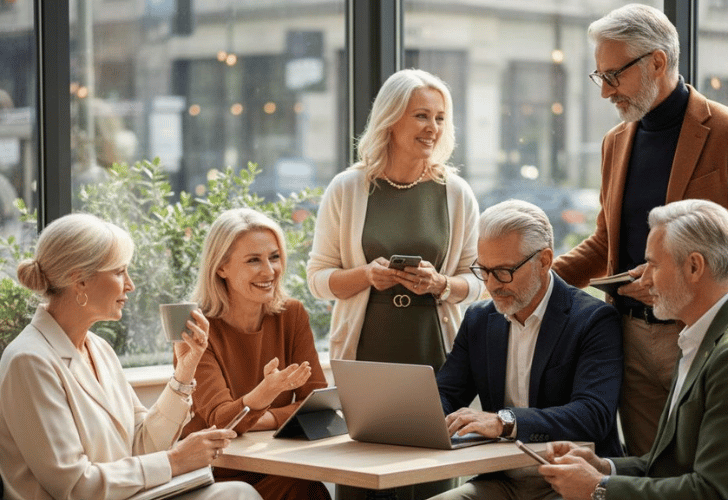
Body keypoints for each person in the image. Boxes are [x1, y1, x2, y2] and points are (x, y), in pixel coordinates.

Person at [551, 3, 728, 457]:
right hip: (630, 340)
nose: (605, 92)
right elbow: (606, 243)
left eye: (612, 76)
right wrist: (539, 283)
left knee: (711, 478)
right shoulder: (615, 141)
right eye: (599, 77)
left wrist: (685, 283)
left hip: (710, 336)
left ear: (657, 62)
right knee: (651, 474)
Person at [540, 199, 728, 500]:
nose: (644, 278)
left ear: (694, 266)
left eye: (652, 264)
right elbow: (670, 466)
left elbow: (711, 492)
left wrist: (598, 489)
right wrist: (603, 467)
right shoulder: (702, 334)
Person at [307, 68, 483, 499]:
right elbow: (317, 279)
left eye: (441, 118)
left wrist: (440, 284)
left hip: (435, 357)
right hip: (367, 356)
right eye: (421, 115)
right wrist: (367, 275)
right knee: (364, 477)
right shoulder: (348, 188)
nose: (433, 128)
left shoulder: (456, 193)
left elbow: (479, 282)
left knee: (432, 479)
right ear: (391, 118)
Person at [0, 213, 260, 500]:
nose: (130, 285)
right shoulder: (28, 361)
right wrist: (176, 461)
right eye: (119, 271)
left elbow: (142, 443)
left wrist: (185, 371)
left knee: (238, 492)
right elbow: (74, 486)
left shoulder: (99, 349)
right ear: (80, 280)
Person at [428, 200, 624, 500]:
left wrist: (505, 422)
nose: (492, 285)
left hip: (569, 481)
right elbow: (447, 393)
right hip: (500, 481)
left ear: (544, 261)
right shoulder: (479, 319)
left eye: (504, 271)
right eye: (484, 270)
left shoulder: (594, 320)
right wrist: (418, 418)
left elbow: (592, 416)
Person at [181, 208, 331, 500]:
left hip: (280, 465)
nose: (269, 271)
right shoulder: (196, 328)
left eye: (274, 257)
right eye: (253, 260)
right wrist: (264, 395)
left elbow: (319, 407)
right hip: (216, 474)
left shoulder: (292, 314)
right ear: (221, 267)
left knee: (306, 488)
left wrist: (261, 417)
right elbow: (219, 422)